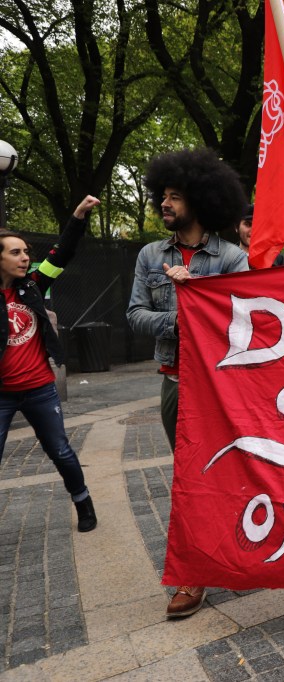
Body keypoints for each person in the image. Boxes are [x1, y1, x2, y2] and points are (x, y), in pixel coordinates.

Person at [127, 148, 249, 619]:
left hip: (224, 388)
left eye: (174, 197)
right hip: (176, 382)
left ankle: (246, 546)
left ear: (199, 201)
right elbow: (134, 316)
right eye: (162, 196)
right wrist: (180, 315)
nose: (164, 204)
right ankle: (195, 572)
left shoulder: (232, 259)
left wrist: (198, 294)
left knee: (231, 472)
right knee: (189, 479)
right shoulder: (149, 256)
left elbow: (247, 325)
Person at [0, 196, 101, 533]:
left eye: (26, 251)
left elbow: (63, 253)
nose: (25, 257)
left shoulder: (32, 285)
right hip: (2, 394)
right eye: (16, 252)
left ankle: (83, 502)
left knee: (59, 450)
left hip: (39, 389)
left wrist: (77, 217)